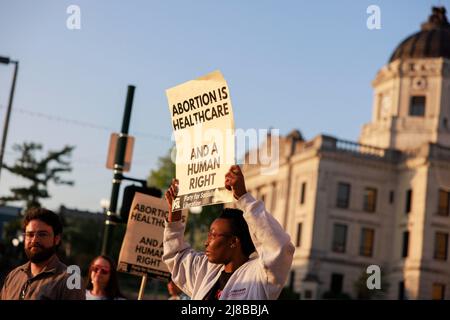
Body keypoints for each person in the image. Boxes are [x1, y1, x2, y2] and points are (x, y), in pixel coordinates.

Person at [163, 165, 295, 300]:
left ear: (233, 241)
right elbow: (176, 257)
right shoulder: (207, 271)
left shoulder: (259, 276)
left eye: (213, 235)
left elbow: (279, 247)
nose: (206, 242)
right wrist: (174, 214)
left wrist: (243, 197)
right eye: (208, 235)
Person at [0, 207, 85, 300]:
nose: (35, 240)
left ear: (56, 239)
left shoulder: (70, 279)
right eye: (30, 234)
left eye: (42, 234)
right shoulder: (14, 275)